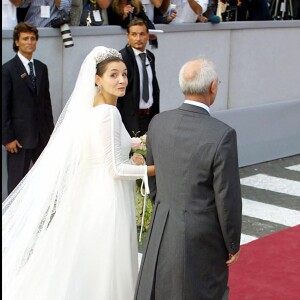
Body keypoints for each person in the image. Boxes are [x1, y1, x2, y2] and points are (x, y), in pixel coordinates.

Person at [2, 46, 155, 299]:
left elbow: (110, 146)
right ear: (97, 79)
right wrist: (152, 169)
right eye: (113, 75)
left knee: (85, 257)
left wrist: (138, 145)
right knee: (104, 259)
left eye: (125, 74)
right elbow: (115, 168)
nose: (122, 80)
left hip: (89, 191)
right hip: (107, 196)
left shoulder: (93, 109)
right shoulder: (108, 112)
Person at [135, 57, 242, 300]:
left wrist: (164, 206)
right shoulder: (222, 134)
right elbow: (227, 196)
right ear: (213, 86)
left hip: (163, 223)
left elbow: (154, 176)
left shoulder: (158, 122)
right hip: (202, 232)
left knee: (159, 287)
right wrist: (232, 243)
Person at [2, 22, 54, 195]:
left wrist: (51, 136)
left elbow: (46, 105)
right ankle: (12, 221)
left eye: (33, 39)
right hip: (18, 140)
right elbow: (3, 107)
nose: (29, 42)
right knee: (17, 185)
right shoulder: (7, 70)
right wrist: (7, 138)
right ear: (17, 42)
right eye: (25, 38)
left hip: (42, 137)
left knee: (45, 181)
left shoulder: (41, 68)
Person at [117, 18, 160, 137]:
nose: (138, 38)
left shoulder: (150, 56)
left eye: (142, 34)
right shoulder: (122, 57)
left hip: (149, 117)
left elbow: (152, 86)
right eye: (134, 34)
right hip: (129, 119)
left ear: (148, 36)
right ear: (128, 36)